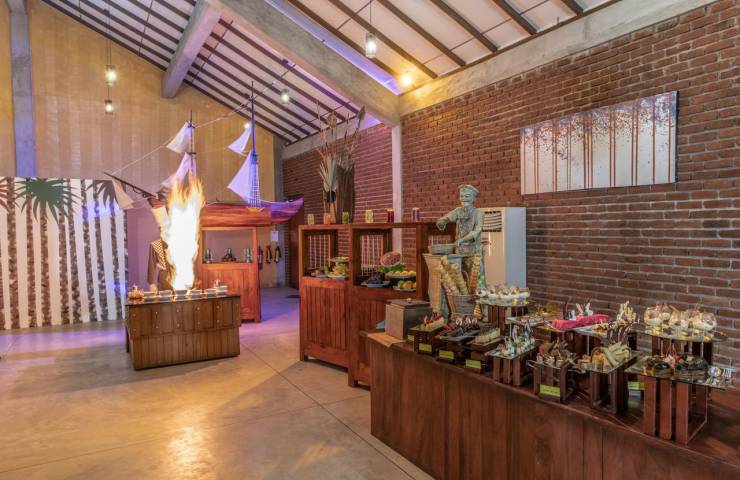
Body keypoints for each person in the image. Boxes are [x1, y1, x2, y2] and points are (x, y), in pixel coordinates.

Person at [436, 184, 484, 256]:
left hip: (474, 250)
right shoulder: (458, 211)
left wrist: (461, 240)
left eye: (467, 196)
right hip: (460, 249)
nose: (463, 198)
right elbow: (447, 218)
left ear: (474, 198)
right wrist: (442, 221)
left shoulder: (479, 213)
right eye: (461, 196)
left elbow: (476, 232)